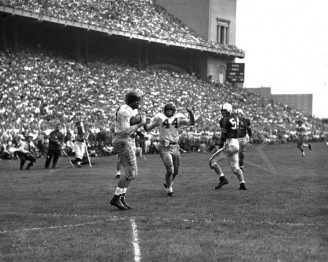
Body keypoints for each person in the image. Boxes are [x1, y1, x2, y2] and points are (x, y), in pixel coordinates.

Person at [144, 102, 195, 197]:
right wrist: (145, 121)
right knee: (170, 169)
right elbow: (147, 128)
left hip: (175, 146)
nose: (168, 112)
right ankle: (169, 188)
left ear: (174, 111)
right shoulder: (159, 118)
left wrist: (191, 113)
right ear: (164, 111)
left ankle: (168, 183)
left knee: (176, 171)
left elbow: (191, 123)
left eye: (170, 110)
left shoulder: (178, 118)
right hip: (164, 146)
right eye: (167, 110)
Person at [110, 90, 146, 210]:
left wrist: (139, 131)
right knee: (130, 172)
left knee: (133, 173)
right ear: (132, 101)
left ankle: (121, 197)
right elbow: (126, 130)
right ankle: (116, 198)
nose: (138, 103)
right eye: (137, 101)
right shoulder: (125, 111)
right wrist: (140, 124)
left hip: (126, 140)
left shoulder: (127, 109)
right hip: (123, 140)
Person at [209, 103, 247, 190]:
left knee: (212, 161)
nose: (222, 112)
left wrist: (220, 145)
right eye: (221, 111)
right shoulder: (235, 117)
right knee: (235, 168)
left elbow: (223, 134)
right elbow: (241, 123)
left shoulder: (224, 120)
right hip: (236, 143)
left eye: (224, 111)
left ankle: (222, 178)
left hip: (229, 143)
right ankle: (242, 184)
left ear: (229, 110)